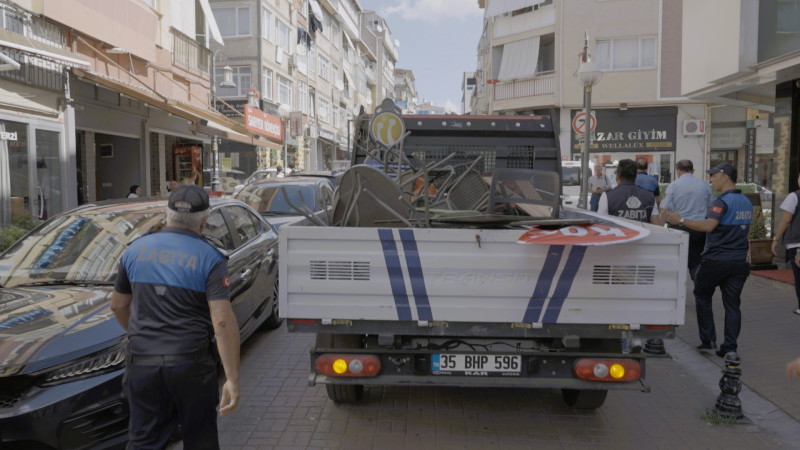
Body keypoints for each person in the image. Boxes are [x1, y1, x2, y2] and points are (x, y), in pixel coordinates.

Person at [110, 185, 240, 448]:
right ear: (204, 222)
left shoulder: (134, 251)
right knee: (200, 438)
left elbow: (118, 306)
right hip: (191, 366)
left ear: (166, 215)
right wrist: (232, 378)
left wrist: (139, 335)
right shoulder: (211, 259)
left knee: (144, 440)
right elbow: (222, 321)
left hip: (142, 364)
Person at [666, 162, 752, 358]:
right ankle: (730, 347)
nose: (711, 179)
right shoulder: (745, 201)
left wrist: (680, 221)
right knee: (732, 304)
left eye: (713, 175)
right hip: (739, 261)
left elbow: (708, 226)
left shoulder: (721, 202)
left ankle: (708, 339)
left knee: (701, 293)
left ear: (724, 176)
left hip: (716, 260)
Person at [659, 159, 715, 280]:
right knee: (696, 262)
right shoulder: (705, 185)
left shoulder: (673, 186)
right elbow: (711, 209)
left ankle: (677, 292)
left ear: (678, 171)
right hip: (699, 229)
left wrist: (659, 229)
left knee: (677, 263)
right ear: (692, 170)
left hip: (677, 229)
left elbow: (664, 210)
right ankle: (699, 289)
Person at [598, 158, 661, 225]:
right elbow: (656, 226)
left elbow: (601, 225)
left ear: (617, 176)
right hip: (643, 235)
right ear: (636, 176)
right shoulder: (650, 196)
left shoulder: (607, 196)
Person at [771, 173, 800, 315]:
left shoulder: (794, 196)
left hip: (797, 243)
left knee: (799, 276)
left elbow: (786, 220)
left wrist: (776, 239)